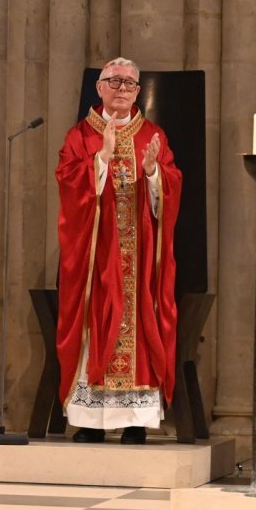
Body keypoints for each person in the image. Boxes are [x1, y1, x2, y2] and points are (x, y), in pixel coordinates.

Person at [55, 57, 181, 445]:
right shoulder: (80, 136)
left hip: (139, 260)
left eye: (129, 84)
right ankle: (91, 423)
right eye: (115, 81)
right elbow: (68, 184)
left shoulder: (153, 135)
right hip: (96, 256)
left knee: (139, 327)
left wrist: (153, 172)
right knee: (97, 325)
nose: (122, 89)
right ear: (99, 87)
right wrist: (101, 159)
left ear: (138, 92)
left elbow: (172, 186)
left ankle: (134, 422)